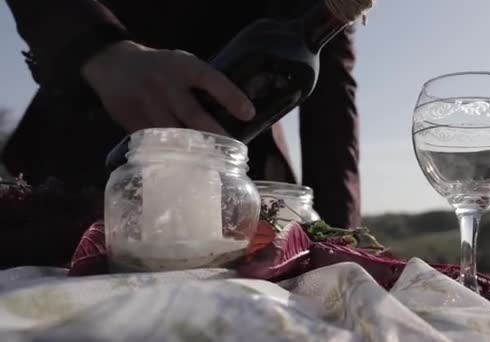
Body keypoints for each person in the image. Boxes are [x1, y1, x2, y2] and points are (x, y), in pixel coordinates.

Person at [3, 0, 361, 230]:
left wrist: (341, 240)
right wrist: (97, 48)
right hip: (84, 151)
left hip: (240, 188)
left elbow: (332, 105)